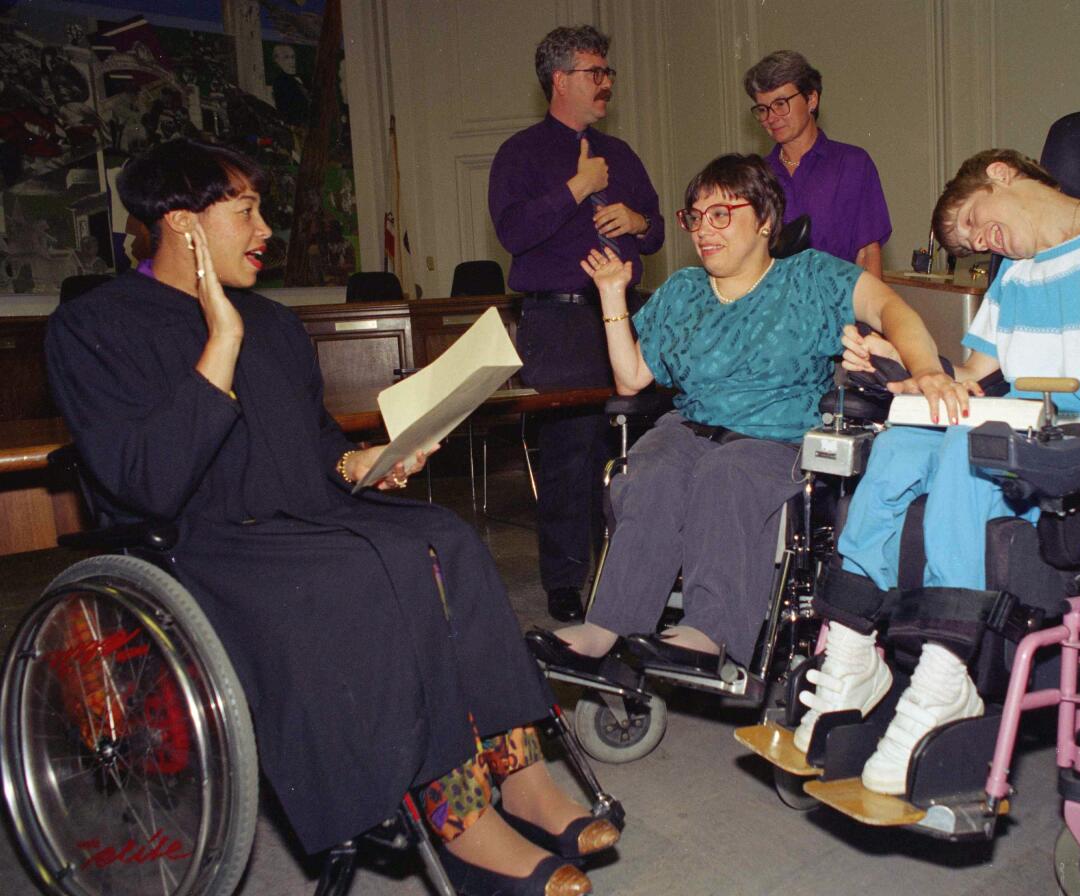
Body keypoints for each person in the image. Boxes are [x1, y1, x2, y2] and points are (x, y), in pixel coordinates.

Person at [45, 139, 618, 896]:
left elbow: (317, 447)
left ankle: (520, 774)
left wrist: (369, 462)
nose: (264, 231)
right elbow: (146, 482)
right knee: (364, 573)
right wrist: (219, 341)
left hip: (306, 517)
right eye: (245, 211)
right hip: (203, 545)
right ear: (181, 225)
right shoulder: (94, 327)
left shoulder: (275, 325)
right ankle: (460, 820)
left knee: (444, 536)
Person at [800, 148, 1080, 795]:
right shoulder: (1015, 278)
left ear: (1002, 174)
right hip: (1025, 446)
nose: (977, 242)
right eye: (966, 243)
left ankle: (947, 670)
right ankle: (849, 656)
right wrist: (894, 363)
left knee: (969, 443)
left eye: (973, 221)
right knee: (901, 443)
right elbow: (966, 383)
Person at [526, 153, 961, 675]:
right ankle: (607, 624)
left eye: (721, 214)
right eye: (695, 216)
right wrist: (611, 295)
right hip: (690, 429)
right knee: (651, 471)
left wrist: (927, 369)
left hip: (775, 439)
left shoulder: (812, 279)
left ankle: (711, 631)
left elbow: (894, 310)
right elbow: (633, 379)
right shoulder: (684, 290)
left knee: (725, 473)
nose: (704, 230)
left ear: (765, 221)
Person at [489, 24, 665, 623]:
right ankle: (565, 582)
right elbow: (513, 233)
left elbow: (660, 228)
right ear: (560, 80)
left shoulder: (621, 153)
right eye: (596, 72)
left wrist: (636, 219)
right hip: (558, 322)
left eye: (608, 72)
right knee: (569, 456)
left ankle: (632, 574)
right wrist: (578, 188)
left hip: (623, 316)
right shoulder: (520, 153)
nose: (607, 84)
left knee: (632, 453)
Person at [743, 50, 891, 278]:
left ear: (811, 99)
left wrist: (875, 311)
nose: (771, 118)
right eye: (763, 109)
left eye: (781, 104)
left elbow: (868, 255)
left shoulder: (852, 165)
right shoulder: (755, 176)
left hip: (838, 309)